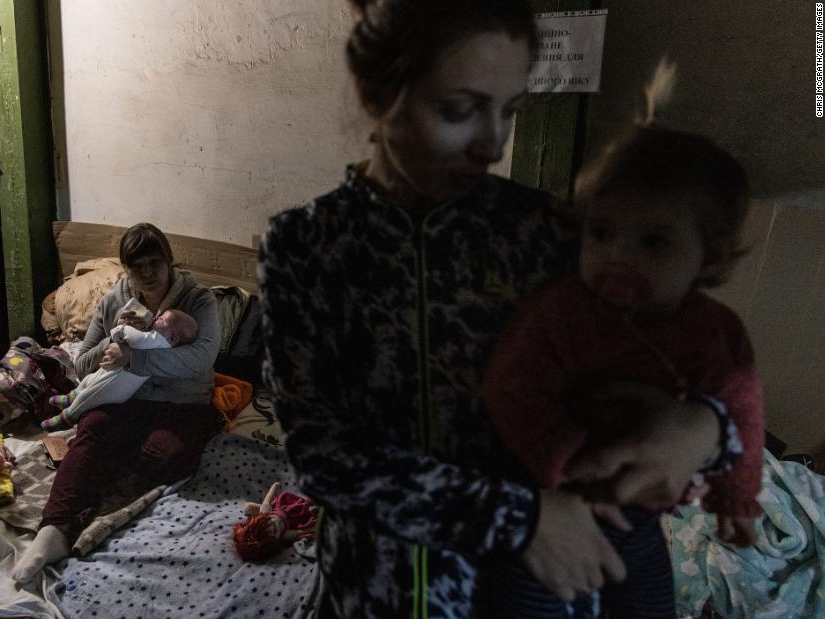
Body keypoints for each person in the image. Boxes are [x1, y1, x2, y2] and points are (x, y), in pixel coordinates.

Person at [257, 1, 745, 616]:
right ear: (378, 93)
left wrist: (704, 427)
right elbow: (321, 453)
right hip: (380, 586)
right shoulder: (307, 246)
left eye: (509, 111)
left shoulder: (547, 232)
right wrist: (522, 519)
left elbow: (696, 351)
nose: (492, 145)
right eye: (461, 110)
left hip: (544, 585)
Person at [482, 61, 763, 618]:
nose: (618, 255)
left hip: (638, 522)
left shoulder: (713, 332)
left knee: (648, 606)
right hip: (553, 503)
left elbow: (744, 407)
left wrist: (737, 495)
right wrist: (564, 465)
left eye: (653, 241)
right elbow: (510, 388)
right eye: (602, 232)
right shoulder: (562, 312)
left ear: (710, 256)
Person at [12, 222, 223, 583]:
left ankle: (109, 458)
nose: (147, 274)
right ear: (126, 268)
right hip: (127, 397)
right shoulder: (115, 300)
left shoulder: (198, 300)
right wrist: (113, 344)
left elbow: (201, 359)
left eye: (154, 264)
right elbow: (80, 363)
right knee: (93, 429)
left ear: (169, 261)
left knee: (166, 457)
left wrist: (136, 359)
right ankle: (54, 531)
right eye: (136, 267)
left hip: (181, 401)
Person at [40, 307, 200, 430]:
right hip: (114, 374)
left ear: (173, 337)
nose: (156, 317)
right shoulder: (159, 340)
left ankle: (68, 417)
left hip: (116, 385)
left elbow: (135, 338)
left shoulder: (160, 341)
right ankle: (71, 397)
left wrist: (121, 328)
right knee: (89, 380)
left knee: (90, 396)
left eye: (162, 319)